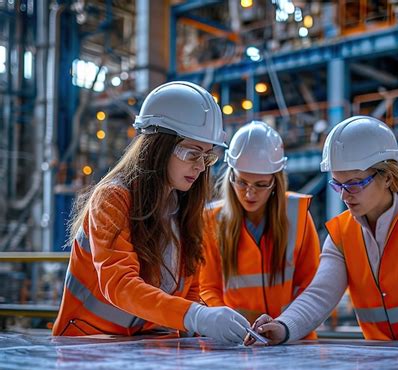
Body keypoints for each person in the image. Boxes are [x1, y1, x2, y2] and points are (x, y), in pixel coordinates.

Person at [246, 115, 398, 345]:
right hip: (388, 365)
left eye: (355, 183)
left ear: (387, 177)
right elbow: (319, 296)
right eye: (338, 184)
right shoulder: (341, 236)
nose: (345, 195)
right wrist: (283, 326)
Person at [52, 81, 250, 343]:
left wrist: (219, 321)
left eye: (207, 156)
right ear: (159, 146)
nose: (201, 167)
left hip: (148, 348)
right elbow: (119, 284)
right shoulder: (112, 199)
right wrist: (198, 316)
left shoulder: (184, 210)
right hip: (88, 345)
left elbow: (188, 294)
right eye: (192, 153)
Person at [199, 121, 320, 338]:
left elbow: (311, 288)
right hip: (236, 341)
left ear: (276, 182)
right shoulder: (211, 220)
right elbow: (207, 287)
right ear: (230, 176)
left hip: (293, 339)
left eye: (261, 185)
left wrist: (285, 325)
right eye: (242, 182)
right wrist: (227, 323)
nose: (249, 194)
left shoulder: (298, 216)